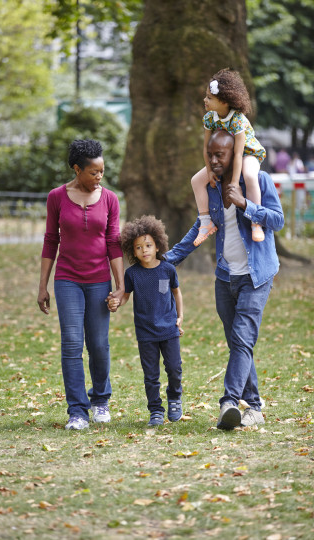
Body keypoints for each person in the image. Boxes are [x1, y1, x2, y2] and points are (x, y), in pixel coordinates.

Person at [165, 130, 284, 430]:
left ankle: (229, 402)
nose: (213, 160)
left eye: (220, 155)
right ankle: (254, 407)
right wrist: (167, 260)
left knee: (242, 339)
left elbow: (277, 220)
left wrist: (245, 204)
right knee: (238, 344)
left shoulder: (260, 181)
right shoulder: (212, 186)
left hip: (256, 277)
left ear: (236, 156)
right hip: (225, 277)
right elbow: (201, 226)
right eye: (210, 153)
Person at [37, 139, 124, 430]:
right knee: (72, 344)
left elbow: (113, 243)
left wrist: (121, 285)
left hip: (100, 279)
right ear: (77, 169)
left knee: (98, 345)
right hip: (67, 280)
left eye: (102, 171)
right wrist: (42, 286)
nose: (99, 177)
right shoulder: (57, 197)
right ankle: (77, 410)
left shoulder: (110, 199)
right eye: (93, 172)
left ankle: (100, 400)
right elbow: (51, 240)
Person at [108, 215, 184, 427]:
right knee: (151, 375)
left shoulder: (167, 269)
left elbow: (176, 293)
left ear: (157, 245)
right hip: (146, 333)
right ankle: (156, 410)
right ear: (133, 252)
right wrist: (116, 301)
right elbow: (125, 296)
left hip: (169, 330)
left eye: (148, 245)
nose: (144, 250)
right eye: (139, 247)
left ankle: (175, 399)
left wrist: (180, 317)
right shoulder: (132, 274)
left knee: (174, 368)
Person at [191, 68, 266, 246]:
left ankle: (256, 221)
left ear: (224, 102)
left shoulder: (237, 119)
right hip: (226, 157)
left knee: (249, 176)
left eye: (209, 97)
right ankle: (205, 221)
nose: (205, 100)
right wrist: (209, 171)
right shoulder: (210, 118)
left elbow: (239, 153)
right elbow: (206, 148)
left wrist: (233, 183)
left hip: (248, 153)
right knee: (196, 180)